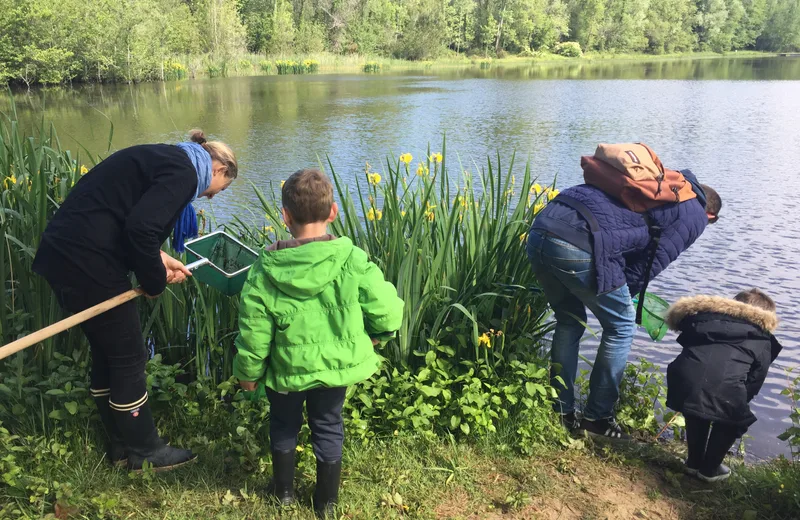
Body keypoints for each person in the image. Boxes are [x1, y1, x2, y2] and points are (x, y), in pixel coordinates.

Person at [32, 130, 238, 471]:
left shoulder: (165, 157)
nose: (211, 197)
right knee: (129, 354)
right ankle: (146, 450)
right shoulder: (185, 172)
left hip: (65, 253)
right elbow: (141, 229)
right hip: (87, 260)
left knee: (108, 350)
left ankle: (120, 445)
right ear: (219, 169)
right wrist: (154, 282)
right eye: (220, 190)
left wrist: (158, 258)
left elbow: (124, 217)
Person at [234, 168, 404, 516]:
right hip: (333, 371)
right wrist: (376, 336)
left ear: (284, 216)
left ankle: (283, 494)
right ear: (333, 212)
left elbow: (253, 333)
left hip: (285, 371)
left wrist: (247, 374)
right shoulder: (351, 258)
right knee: (328, 425)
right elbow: (388, 312)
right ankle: (326, 503)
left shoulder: (264, 270)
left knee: (283, 424)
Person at [526, 169, 721, 440]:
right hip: (578, 241)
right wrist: (624, 295)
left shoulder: (666, 186)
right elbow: (652, 262)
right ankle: (597, 418)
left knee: (569, 321)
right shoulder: (694, 214)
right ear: (711, 215)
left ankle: (561, 411)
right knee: (621, 326)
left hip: (542, 227)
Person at [665, 289, 783, 482]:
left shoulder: (705, 321)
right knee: (733, 420)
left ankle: (693, 462)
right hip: (722, 386)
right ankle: (710, 469)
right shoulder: (762, 339)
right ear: (765, 317)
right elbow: (755, 380)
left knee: (697, 410)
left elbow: (690, 349)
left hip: (682, 379)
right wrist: (739, 402)